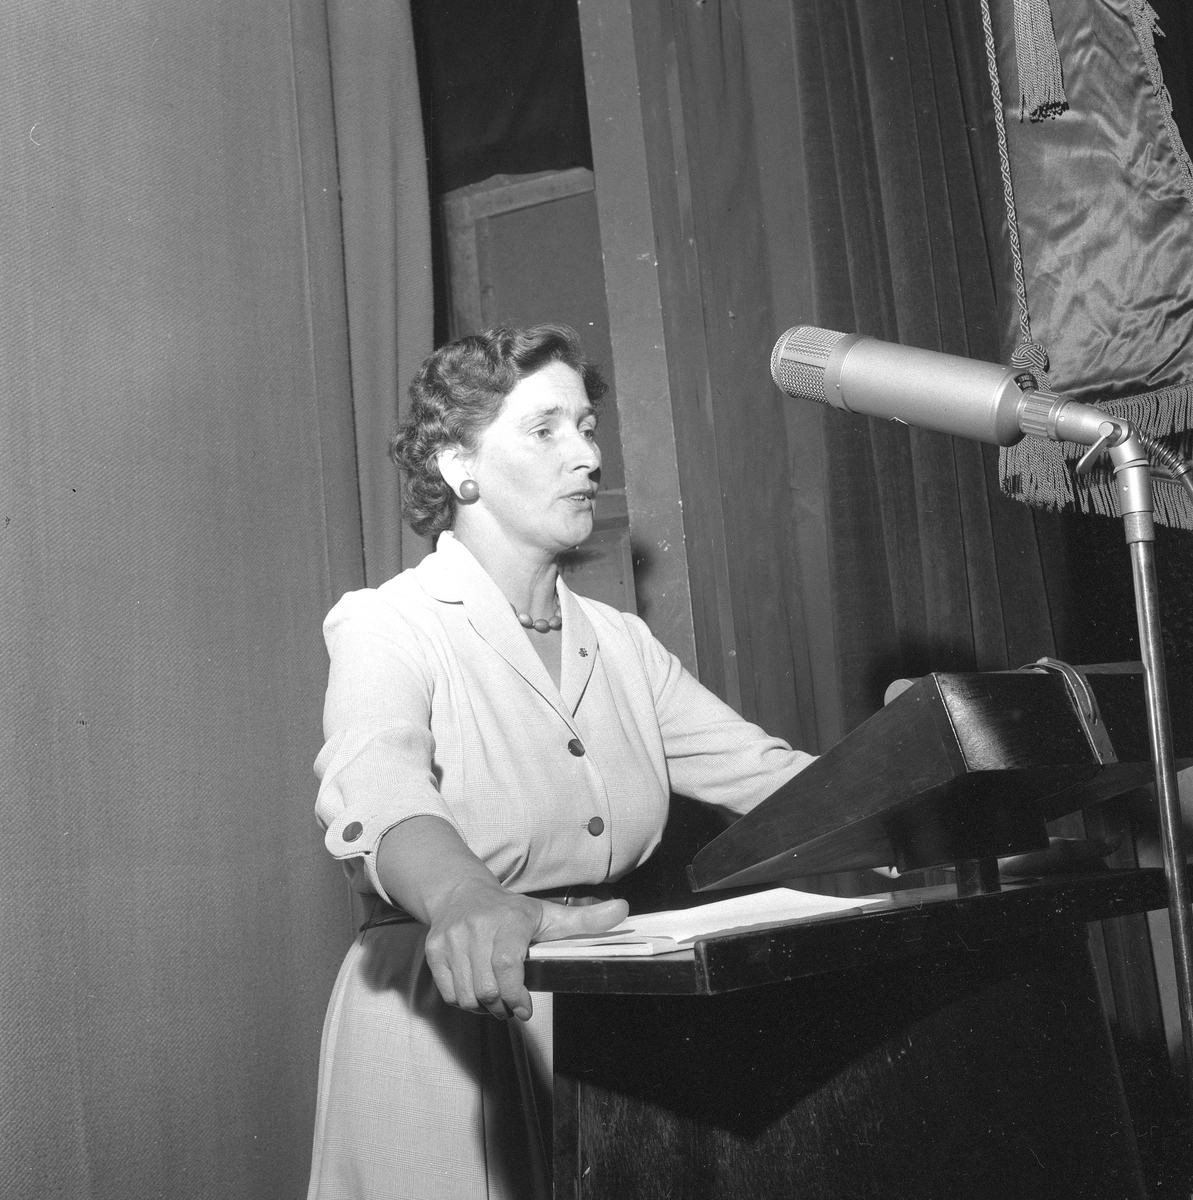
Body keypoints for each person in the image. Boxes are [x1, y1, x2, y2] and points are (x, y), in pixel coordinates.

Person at [306, 324, 815, 1200]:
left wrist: (922, 769)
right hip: (445, 1024)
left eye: (585, 426)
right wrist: (462, 896)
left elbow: (771, 778)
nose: (586, 454)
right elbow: (374, 786)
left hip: (599, 1016)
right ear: (457, 465)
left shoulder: (620, 643)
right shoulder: (389, 624)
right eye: (543, 429)